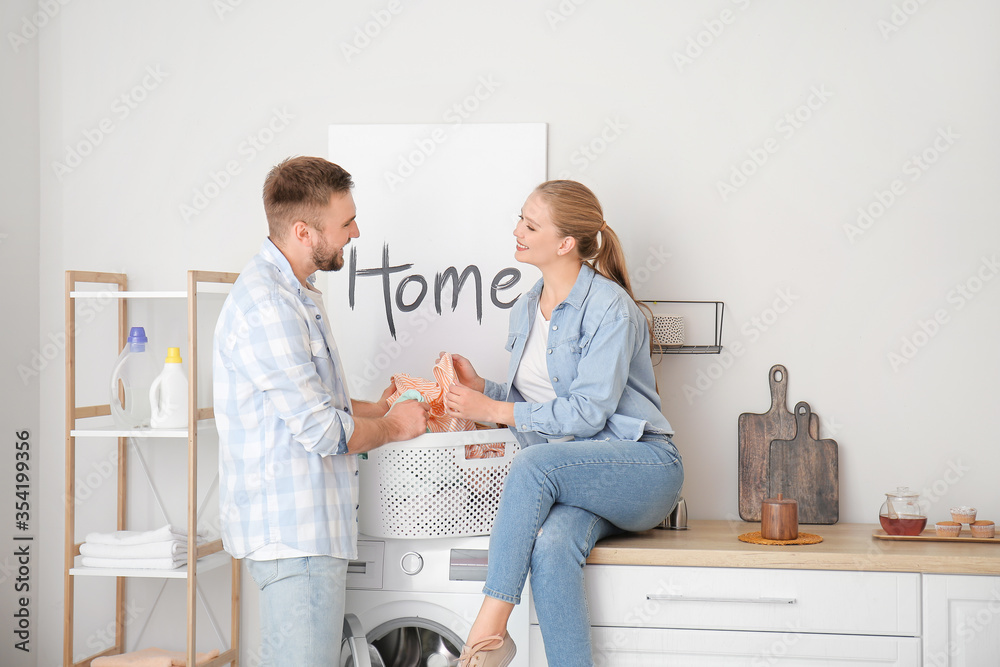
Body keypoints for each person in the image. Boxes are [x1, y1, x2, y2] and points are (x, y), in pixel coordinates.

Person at [443, 180, 684, 667]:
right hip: (579, 477)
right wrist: (486, 390)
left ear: (565, 243)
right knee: (552, 545)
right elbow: (537, 405)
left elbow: (587, 413)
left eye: (530, 225)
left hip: (644, 469)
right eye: (520, 219)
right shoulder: (525, 308)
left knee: (533, 465)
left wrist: (492, 411)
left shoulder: (611, 309)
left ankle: (486, 632)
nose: (516, 230)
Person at [213, 156, 430, 666]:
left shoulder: (295, 294)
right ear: (304, 230)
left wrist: (374, 408)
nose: (356, 232)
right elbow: (320, 430)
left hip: (309, 534)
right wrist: (395, 426)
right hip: (295, 536)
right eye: (346, 222)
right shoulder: (269, 305)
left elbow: (310, 399)